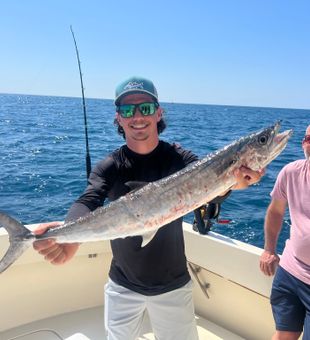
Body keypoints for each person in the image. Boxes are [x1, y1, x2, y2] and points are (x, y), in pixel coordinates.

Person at [33, 76, 264, 340]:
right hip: (121, 285)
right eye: (128, 110)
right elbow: (88, 200)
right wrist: (68, 233)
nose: (137, 116)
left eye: (145, 107)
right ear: (119, 118)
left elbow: (209, 187)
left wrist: (232, 183)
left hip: (173, 284)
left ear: (158, 112)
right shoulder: (110, 166)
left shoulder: (180, 158)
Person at [260, 125, 310, 340]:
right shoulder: (291, 172)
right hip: (290, 272)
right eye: (309, 138)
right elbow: (275, 211)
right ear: (303, 144)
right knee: (283, 335)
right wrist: (269, 250)